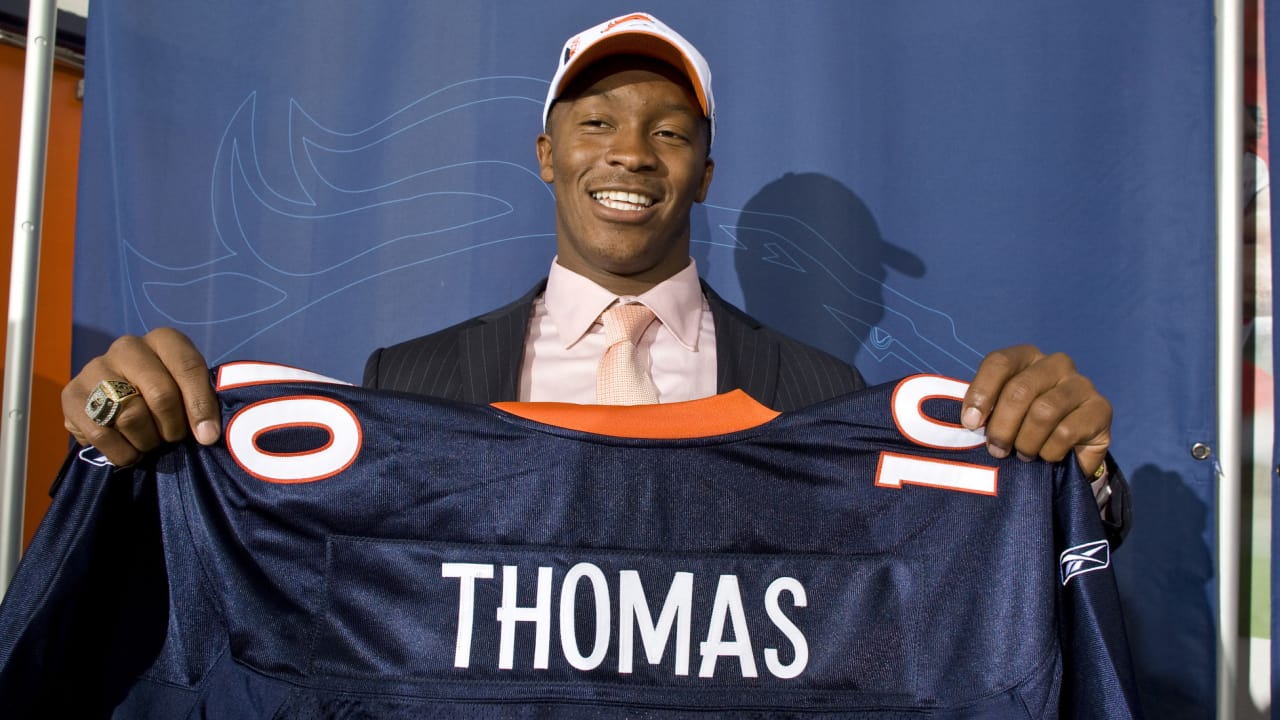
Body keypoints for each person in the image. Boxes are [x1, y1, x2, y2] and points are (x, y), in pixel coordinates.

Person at [60, 12, 1127, 542]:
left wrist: (1071, 477)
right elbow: (306, 583)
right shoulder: (408, 380)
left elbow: (959, 580)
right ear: (545, 154)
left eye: (667, 131)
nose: (629, 152)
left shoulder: (823, 399)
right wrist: (122, 432)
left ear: (702, 175)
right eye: (596, 122)